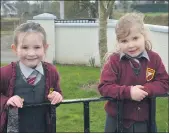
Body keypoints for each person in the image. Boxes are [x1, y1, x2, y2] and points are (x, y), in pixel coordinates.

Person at [98, 12, 169, 132]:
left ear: (144, 36)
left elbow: (164, 82)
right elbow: (104, 87)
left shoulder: (154, 59)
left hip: (145, 122)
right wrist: (129, 92)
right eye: (124, 41)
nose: (130, 45)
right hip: (116, 122)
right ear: (118, 42)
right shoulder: (114, 61)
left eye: (135, 38)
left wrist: (146, 90)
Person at [0, 22, 63, 133]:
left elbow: (53, 89)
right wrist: (7, 100)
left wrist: (56, 95)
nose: (31, 53)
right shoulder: (5, 73)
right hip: (13, 129)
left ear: (45, 48)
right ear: (15, 49)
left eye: (37, 47)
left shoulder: (51, 72)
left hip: (43, 128)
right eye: (25, 47)